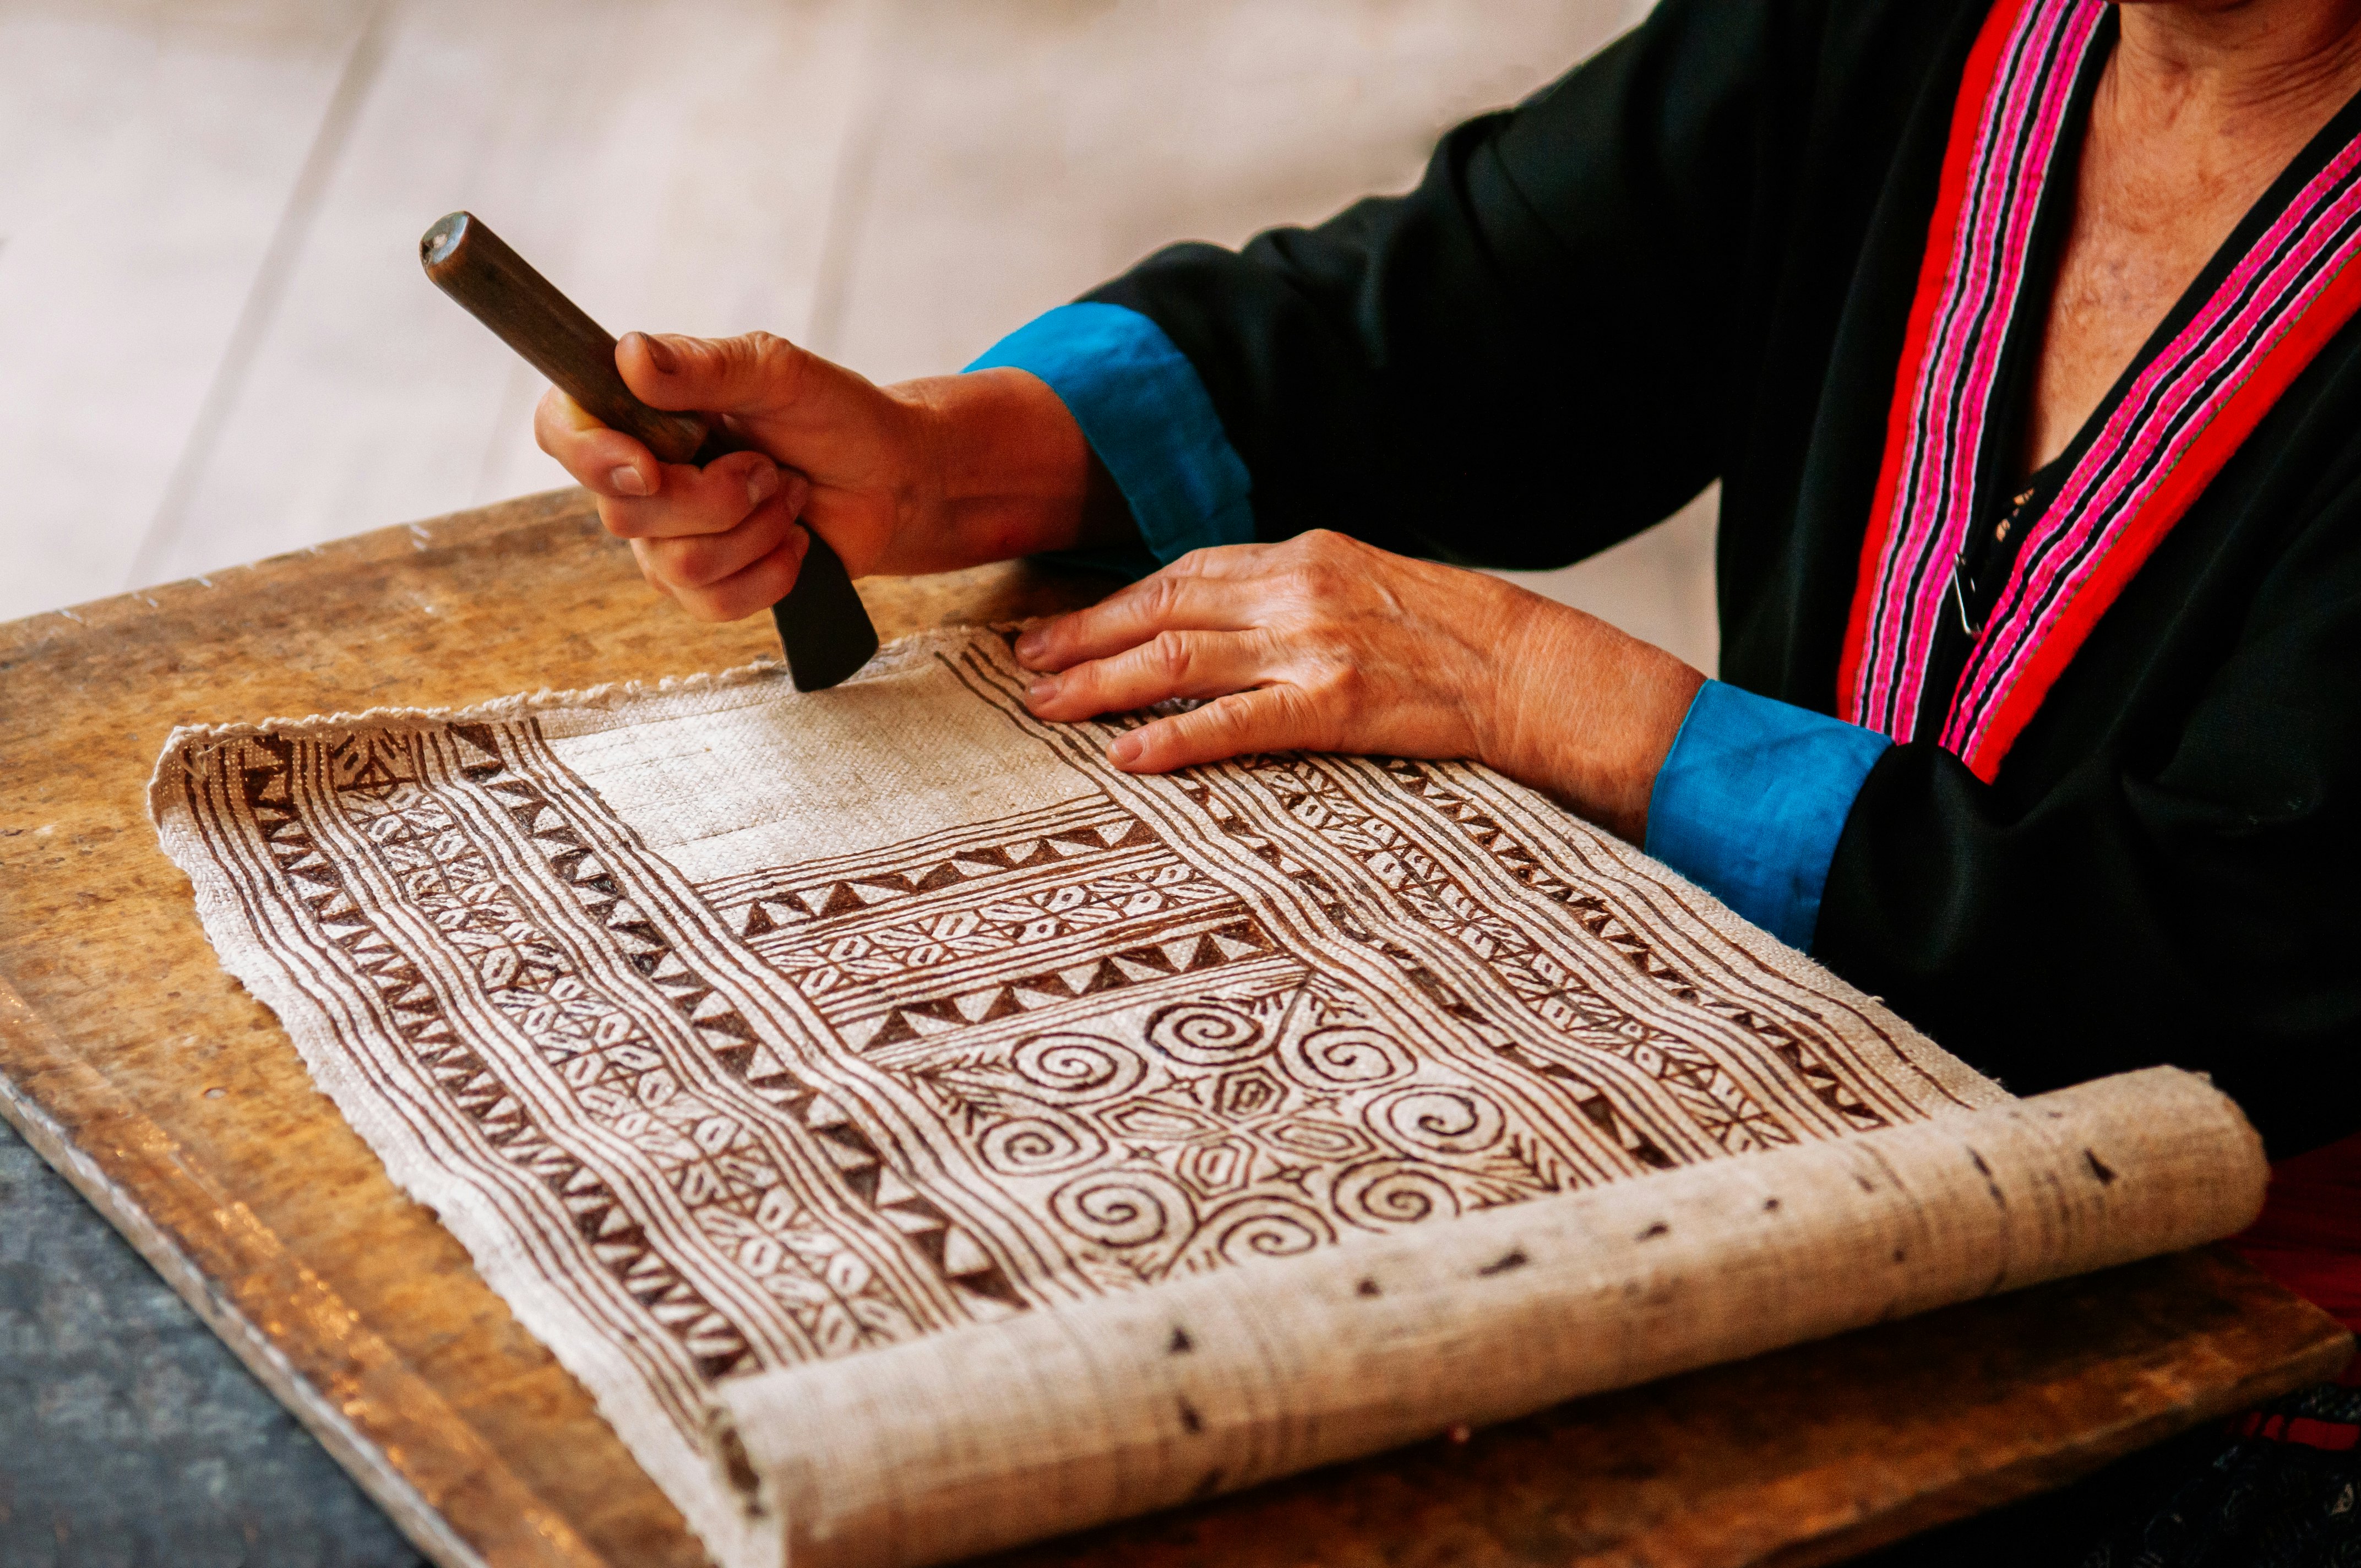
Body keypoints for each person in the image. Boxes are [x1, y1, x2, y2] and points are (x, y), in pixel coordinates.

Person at [537, 0, 2361, 1559]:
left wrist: (1564, 701)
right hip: (1850, 1188)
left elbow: (2243, 945)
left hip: (2267, 1387)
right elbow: (1483, 308)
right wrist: (950, 463)